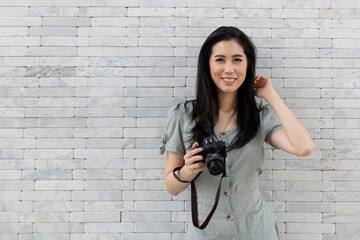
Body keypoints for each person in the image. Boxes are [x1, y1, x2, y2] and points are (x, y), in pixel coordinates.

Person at [160, 26, 315, 240]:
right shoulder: (182, 116)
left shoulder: (259, 116)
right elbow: (171, 187)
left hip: (257, 231)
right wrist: (187, 172)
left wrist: (269, 94)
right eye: (220, 59)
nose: (229, 69)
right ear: (207, 64)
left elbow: (304, 147)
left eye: (237, 60)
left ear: (248, 65)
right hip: (206, 232)